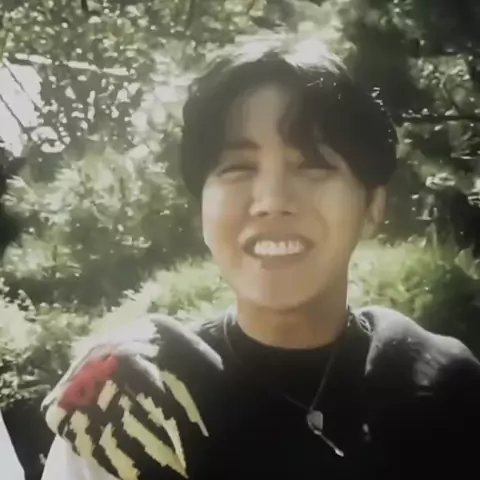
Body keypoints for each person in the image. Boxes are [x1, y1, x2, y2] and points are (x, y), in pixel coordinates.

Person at [40, 36, 480, 480]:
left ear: (371, 207)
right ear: (202, 211)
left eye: (313, 165)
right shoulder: (134, 405)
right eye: (237, 168)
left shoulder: (442, 390)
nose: (271, 200)